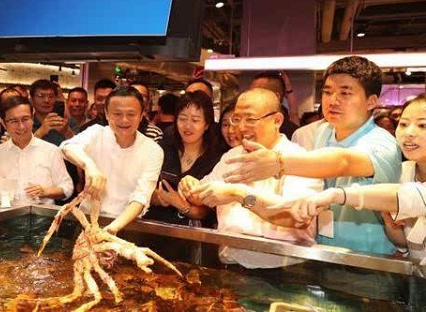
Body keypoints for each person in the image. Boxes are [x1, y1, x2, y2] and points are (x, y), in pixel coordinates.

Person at [218, 56, 402, 255]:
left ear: (371, 102)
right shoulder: (322, 132)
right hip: (321, 250)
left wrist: (278, 163)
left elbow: (343, 162)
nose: (333, 101)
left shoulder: (382, 142)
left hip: (368, 256)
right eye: (327, 92)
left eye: (345, 93)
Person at [179, 88, 323, 269]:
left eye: (250, 119)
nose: (240, 127)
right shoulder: (232, 155)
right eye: (236, 119)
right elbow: (203, 195)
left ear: (277, 120)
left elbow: (297, 218)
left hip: (284, 270)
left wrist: (239, 194)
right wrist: (190, 186)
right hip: (231, 264)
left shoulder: (297, 159)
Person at [274, 94, 426, 261]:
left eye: (422, 125)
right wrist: (390, 222)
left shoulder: (381, 144)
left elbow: (406, 196)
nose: (409, 133)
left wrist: (336, 195)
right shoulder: (403, 171)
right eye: (403, 124)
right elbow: (404, 242)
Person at [59, 86, 163, 234]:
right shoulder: (96, 132)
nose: (124, 120)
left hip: (127, 224)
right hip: (87, 221)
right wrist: (89, 166)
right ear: (107, 114)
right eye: (117, 114)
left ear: (141, 115)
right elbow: (67, 147)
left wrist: (112, 229)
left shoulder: (153, 150)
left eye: (131, 114)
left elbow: (141, 197)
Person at [146, 91, 222, 227]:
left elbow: (207, 210)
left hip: (193, 234)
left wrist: (182, 205)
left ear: (207, 124)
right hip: (154, 226)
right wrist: (159, 198)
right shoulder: (163, 148)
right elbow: (143, 190)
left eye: (195, 120)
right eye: (182, 119)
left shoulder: (215, 158)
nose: (187, 126)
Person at [0, 96, 73, 204]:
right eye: (14, 121)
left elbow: (67, 187)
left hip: (41, 212)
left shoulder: (51, 151)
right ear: (3, 123)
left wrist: (46, 192)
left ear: (32, 118)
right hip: (7, 212)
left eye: (25, 119)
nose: (21, 126)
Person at [250, 71, 299, 138]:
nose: (251, 96)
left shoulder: (293, 134)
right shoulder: (247, 128)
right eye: (251, 92)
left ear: (276, 96)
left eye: (258, 92)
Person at [30, 79, 73, 145]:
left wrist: (67, 133)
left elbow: (81, 148)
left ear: (56, 99)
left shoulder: (68, 123)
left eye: (51, 96)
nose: (46, 100)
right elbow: (21, 149)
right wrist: (40, 132)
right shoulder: (25, 124)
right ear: (31, 100)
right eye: (41, 96)